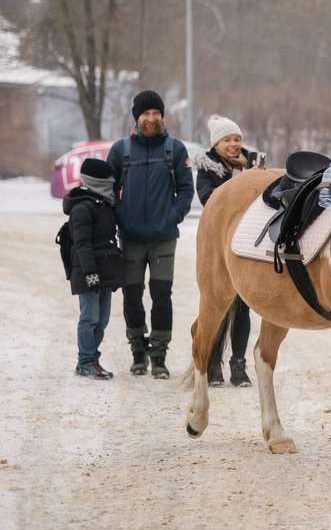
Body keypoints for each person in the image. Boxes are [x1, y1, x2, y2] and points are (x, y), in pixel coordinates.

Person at [106, 90, 195, 379]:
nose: (152, 118)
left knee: (162, 296)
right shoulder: (121, 150)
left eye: (156, 113)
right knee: (132, 296)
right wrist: (119, 215)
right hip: (130, 237)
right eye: (146, 113)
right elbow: (108, 189)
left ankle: (158, 356)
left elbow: (186, 190)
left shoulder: (175, 149)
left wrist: (173, 216)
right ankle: (137, 353)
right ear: (137, 117)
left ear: (162, 116)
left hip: (163, 238)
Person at [194, 114, 262, 387]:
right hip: (218, 243)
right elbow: (208, 200)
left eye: (237, 139)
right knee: (217, 306)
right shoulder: (208, 168)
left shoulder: (255, 166)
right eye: (227, 140)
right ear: (216, 144)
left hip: (248, 241)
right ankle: (212, 363)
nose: (233, 144)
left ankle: (238, 364)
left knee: (244, 308)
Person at [63, 158, 124, 380]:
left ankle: (92, 359)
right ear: (96, 181)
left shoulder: (104, 204)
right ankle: (86, 361)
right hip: (89, 272)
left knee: (103, 318)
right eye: (108, 180)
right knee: (89, 317)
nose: (112, 183)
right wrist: (90, 273)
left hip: (105, 271)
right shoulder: (82, 208)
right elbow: (82, 244)